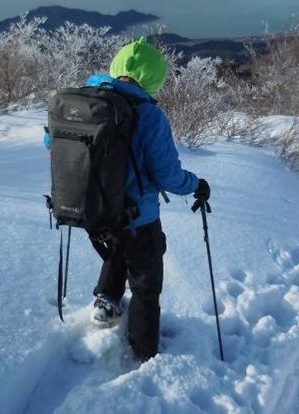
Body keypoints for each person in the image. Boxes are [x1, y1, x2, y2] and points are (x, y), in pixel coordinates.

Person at [82, 37, 210, 362]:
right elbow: (168, 176)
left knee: (115, 250)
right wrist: (197, 185)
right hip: (138, 216)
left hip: (94, 210)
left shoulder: (85, 101)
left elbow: (49, 141)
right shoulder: (150, 117)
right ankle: (143, 352)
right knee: (146, 285)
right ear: (154, 79)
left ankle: (106, 304)